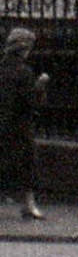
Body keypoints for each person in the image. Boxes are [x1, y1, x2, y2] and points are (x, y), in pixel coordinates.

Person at [0, 27, 50, 220]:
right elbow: (30, 102)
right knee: (26, 166)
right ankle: (29, 205)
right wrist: (41, 86)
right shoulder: (24, 72)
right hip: (19, 125)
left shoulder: (3, 68)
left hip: (3, 121)